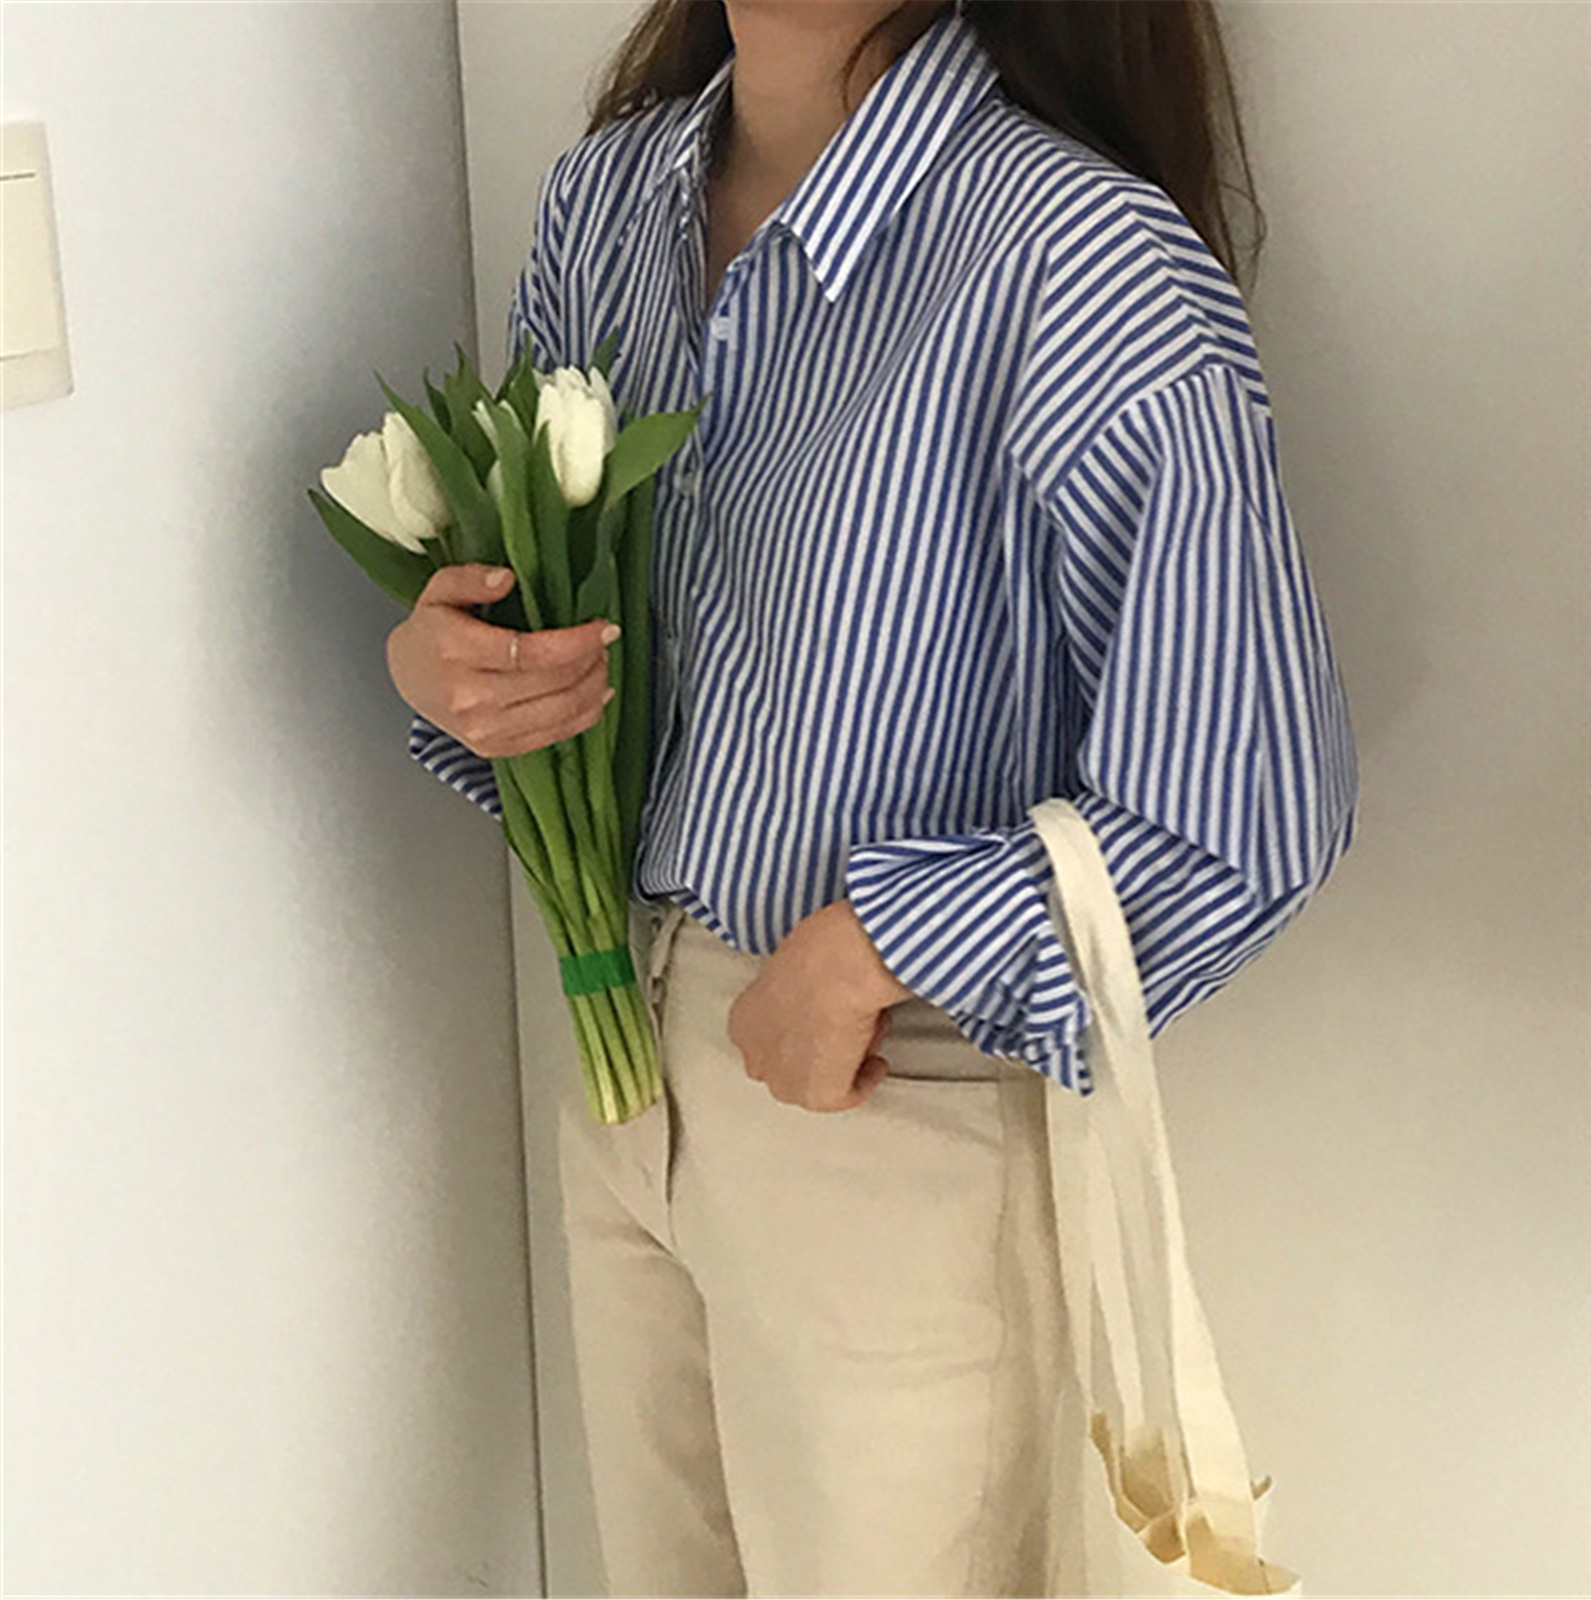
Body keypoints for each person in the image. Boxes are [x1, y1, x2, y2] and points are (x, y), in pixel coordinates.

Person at [387, 1, 1358, 1594]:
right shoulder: (607, 203)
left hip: (891, 1096)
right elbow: (562, 609)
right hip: (623, 1057)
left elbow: (1246, 799)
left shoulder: (1074, 255)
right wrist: (458, 672)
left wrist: (874, 948)